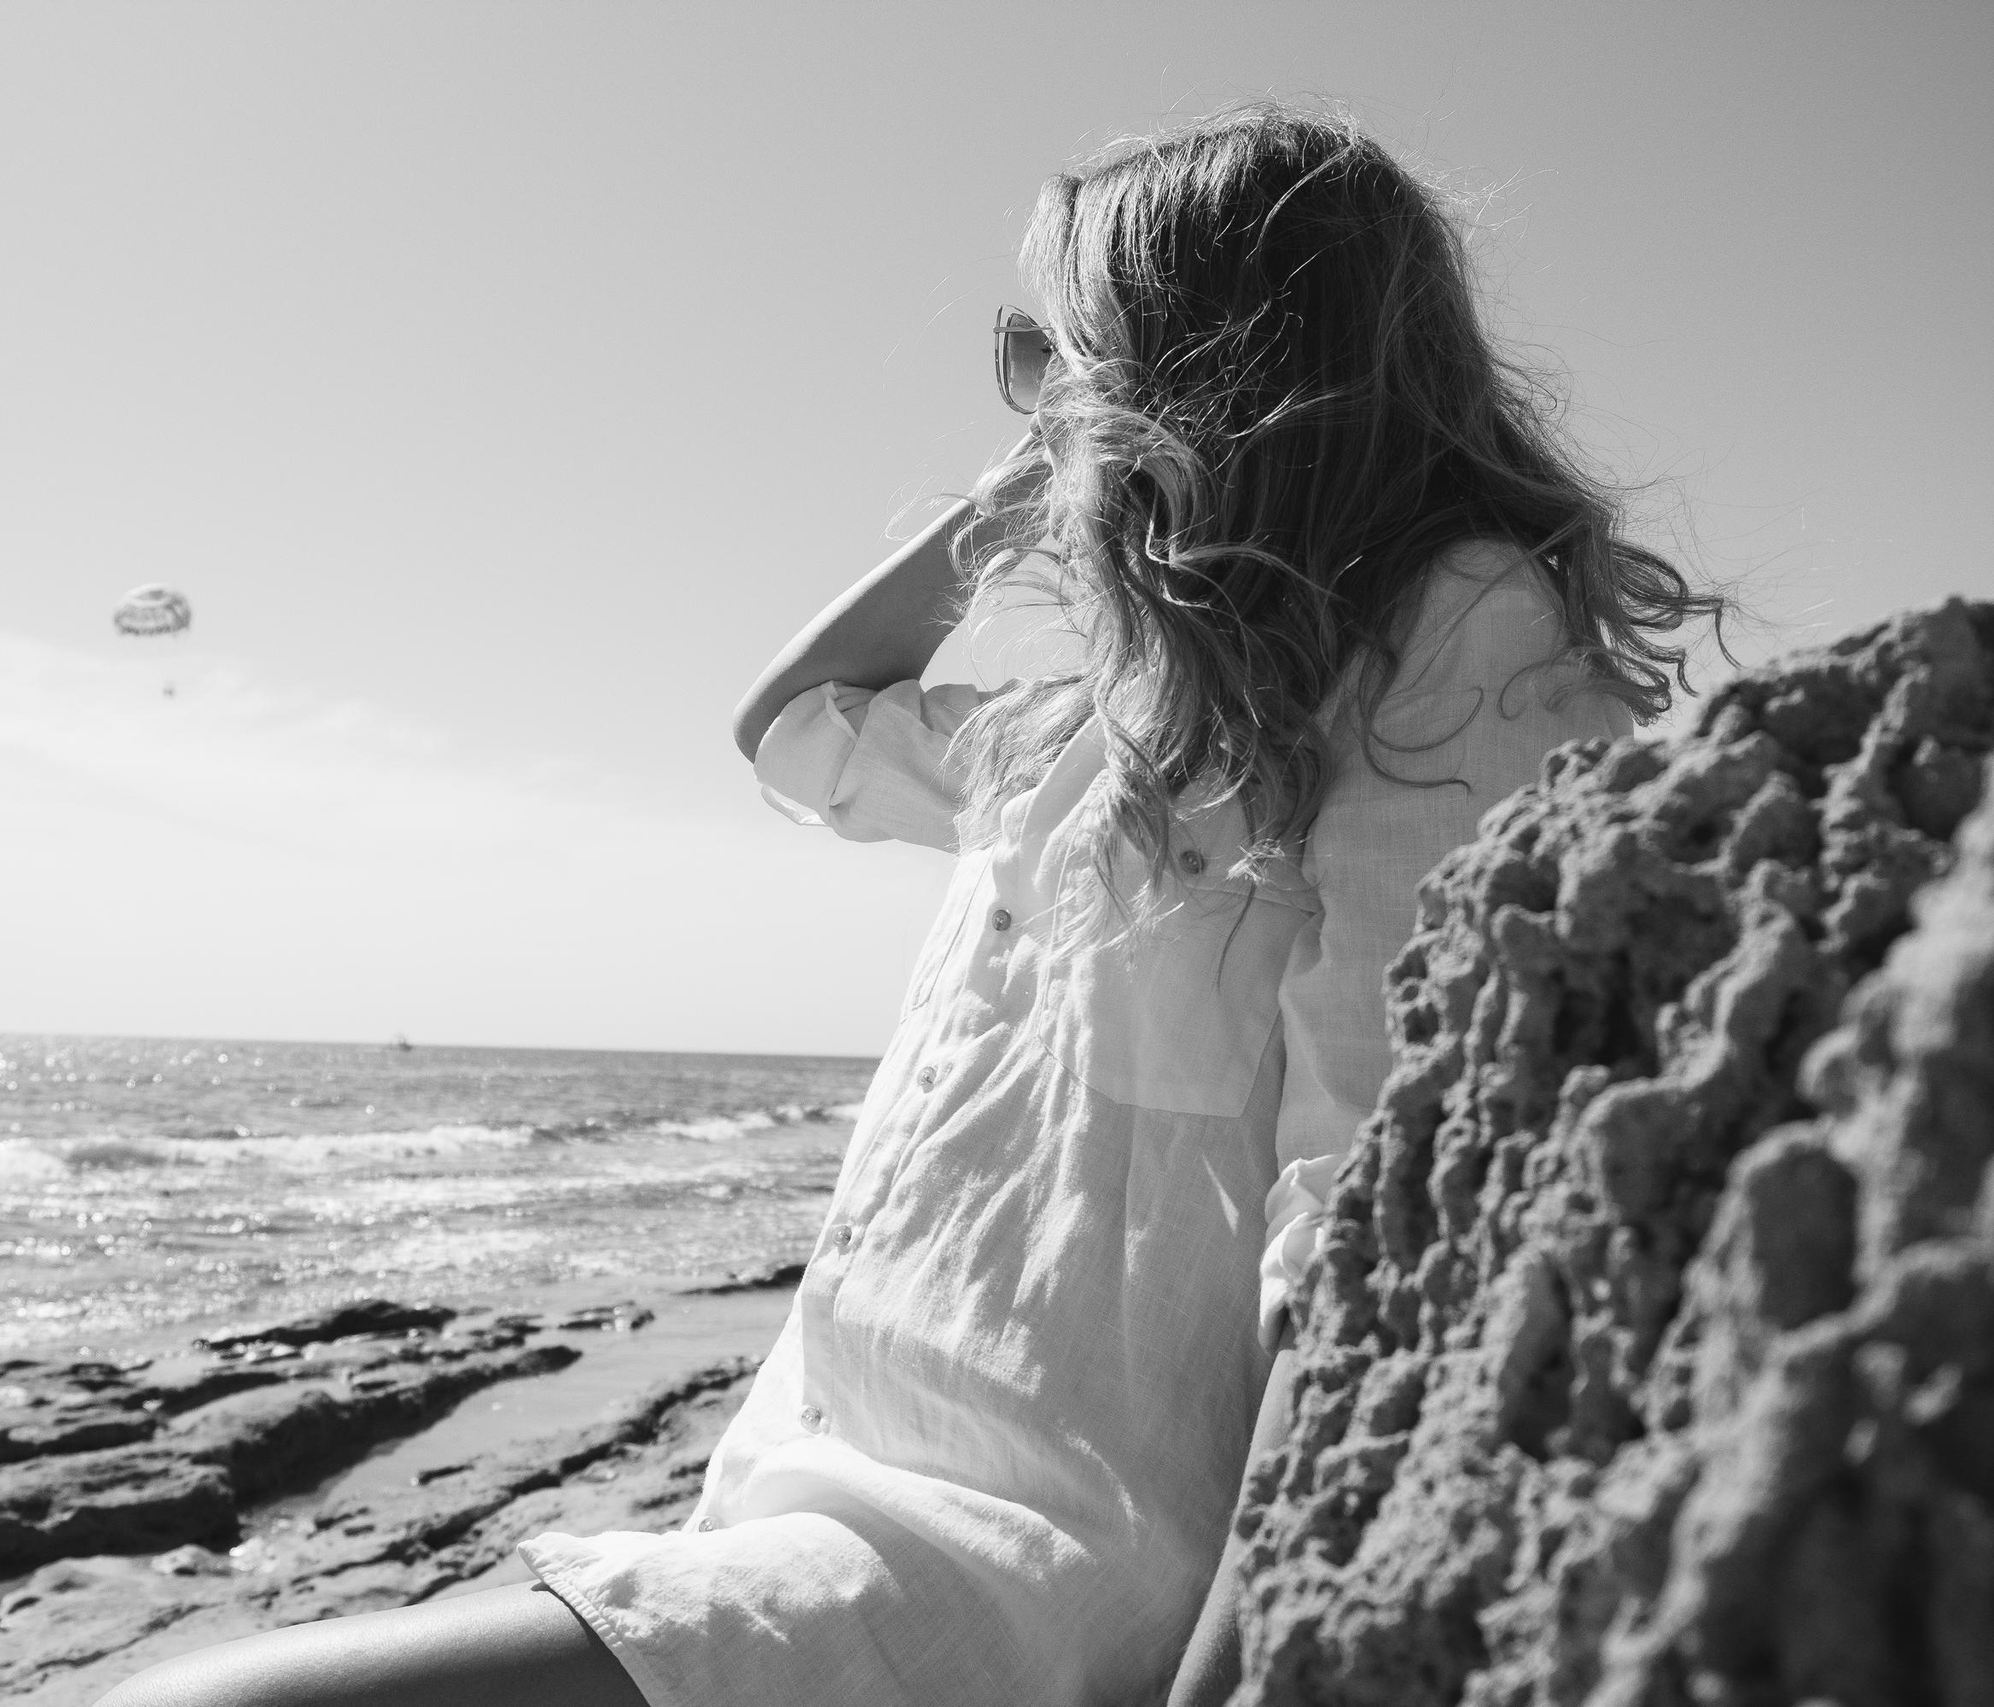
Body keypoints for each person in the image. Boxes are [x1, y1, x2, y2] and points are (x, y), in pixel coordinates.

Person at [96, 101, 1720, 1707]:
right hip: (792, 1507)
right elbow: (796, 731)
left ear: (1187, 367)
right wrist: (1023, 489)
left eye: (1054, 350)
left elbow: (1371, 1226)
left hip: (1013, 1586)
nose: (1037, 404)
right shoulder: (1106, 727)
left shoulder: (1452, 649)